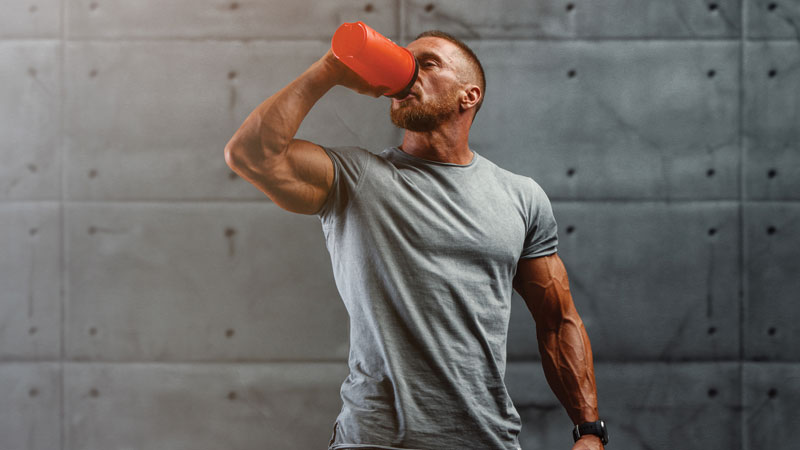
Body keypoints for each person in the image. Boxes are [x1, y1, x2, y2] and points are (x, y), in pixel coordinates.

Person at [224, 29, 606, 450]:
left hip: (487, 439)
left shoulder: (521, 196)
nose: (407, 73)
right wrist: (330, 70)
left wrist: (589, 431)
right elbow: (250, 154)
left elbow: (557, 321)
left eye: (427, 63)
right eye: (403, 61)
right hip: (374, 440)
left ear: (469, 95)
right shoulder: (356, 178)